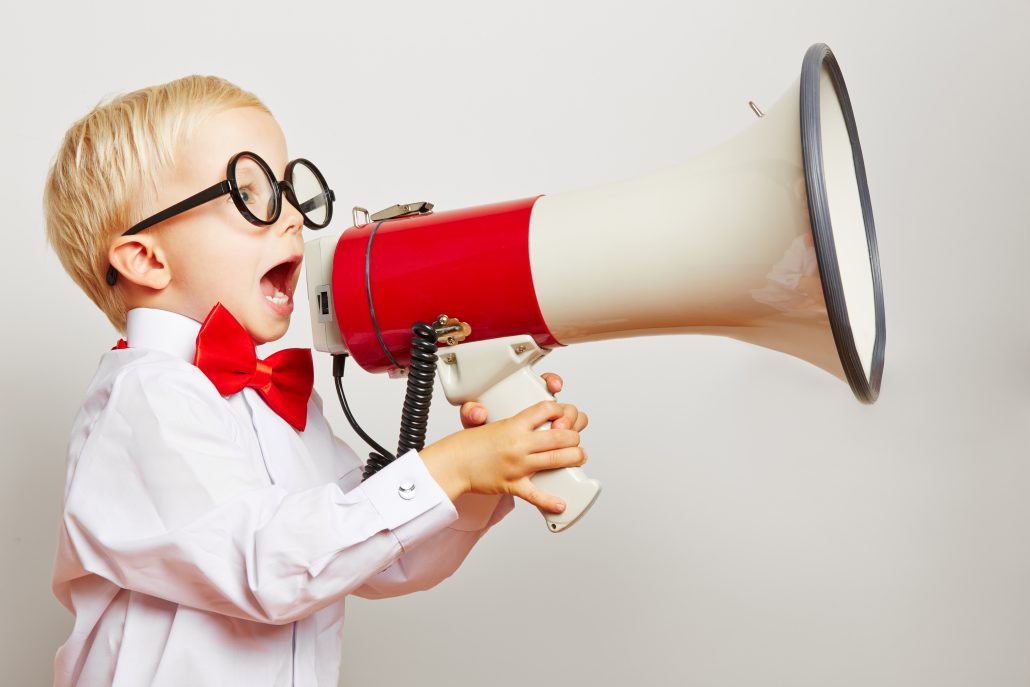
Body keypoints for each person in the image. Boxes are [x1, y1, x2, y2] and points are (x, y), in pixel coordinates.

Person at [43, 75, 588, 686]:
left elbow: (379, 559)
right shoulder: (142, 399)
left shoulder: (276, 403)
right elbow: (269, 566)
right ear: (147, 259)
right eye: (248, 194)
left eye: (286, 190)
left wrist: (485, 476)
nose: (291, 217)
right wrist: (452, 467)